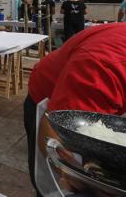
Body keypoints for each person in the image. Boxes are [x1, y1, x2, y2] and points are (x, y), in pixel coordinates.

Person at [24, 23, 126, 196]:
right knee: (61, 185)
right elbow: (54, 131)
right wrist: (74, 176)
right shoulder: (104, 66)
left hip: (94, 87)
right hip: (51, 95)